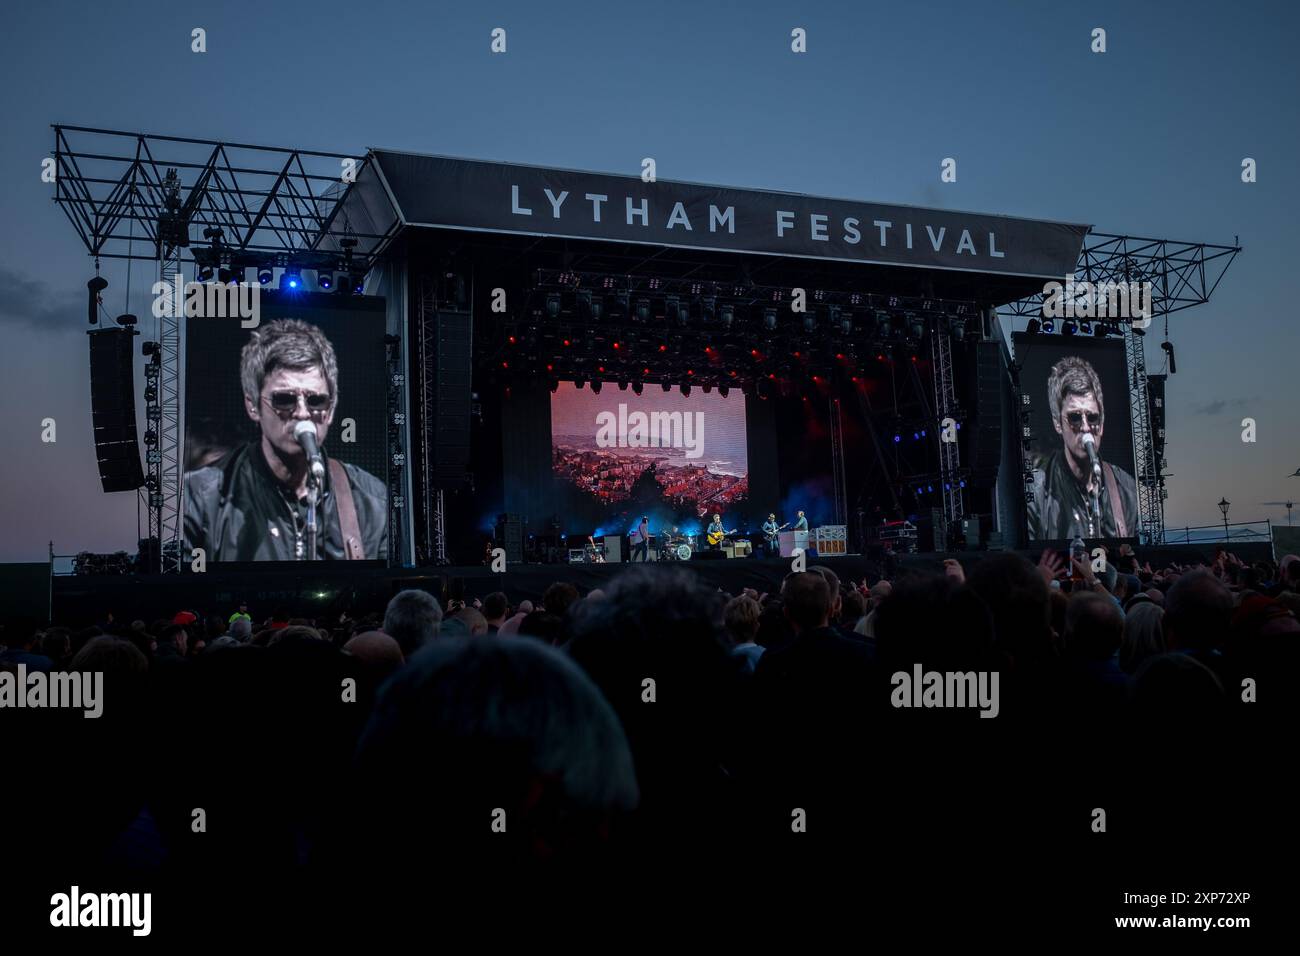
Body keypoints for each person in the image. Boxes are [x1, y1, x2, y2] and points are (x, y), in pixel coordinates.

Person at [183, 319, 388, 562]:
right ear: (253, 406)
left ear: (331, 410)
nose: (302, 413)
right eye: (284, 399)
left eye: (315, 401)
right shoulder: (198, 498)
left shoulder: (371, 500)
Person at [1027, 355, 1138, 540]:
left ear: (1101, 424)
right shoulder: (1035, 491)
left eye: (1092, 417)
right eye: (1075, 417)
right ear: (1057, 423)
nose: (1085, 427)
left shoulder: (1125, 488)